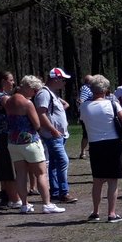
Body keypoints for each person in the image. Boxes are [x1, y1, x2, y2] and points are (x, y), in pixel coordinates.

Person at [5, 76, 65, 214]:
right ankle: (47, 204)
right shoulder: (27, 103)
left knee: (20, 173)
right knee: (41, 173)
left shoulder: (8, 101)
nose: (35, 93)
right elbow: (37, 124)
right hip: (30, 141)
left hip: (13, 142)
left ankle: (24, 204)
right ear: (28, 88)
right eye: (34, 90)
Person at [79, 75, 122, 222]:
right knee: (113, 180)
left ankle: (95, 212)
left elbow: (83, 120)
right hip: (112, 144)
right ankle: (111, 213)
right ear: (106, 90)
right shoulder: (112, 104)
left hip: (95, 145)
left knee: (97, 180)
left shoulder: (84, 106)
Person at [36, 67, 76, 202]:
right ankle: (64, 192)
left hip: (59, 135)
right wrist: (52, 129)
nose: (64, 83)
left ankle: (55, 191)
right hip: (52, 135)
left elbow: (65, 105)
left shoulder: (52, 93)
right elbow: (41, 113)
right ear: (56, 79)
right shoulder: (44, 93)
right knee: (63, 161)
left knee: (53, 163)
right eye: (63, 80)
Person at [0, 71, 22, 207]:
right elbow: (13, 111)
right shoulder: (3, 97)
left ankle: (6, 193)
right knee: (9, 167)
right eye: (11, 80)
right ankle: (15, 198)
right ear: (3, 81)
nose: (13, 83)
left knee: (3, 166)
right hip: (6, 134)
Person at [76, 74, 93, 159]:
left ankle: (89, 151)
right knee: (86, 133)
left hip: (90, 113)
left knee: (90, 133)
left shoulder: (91, 89)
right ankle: (83, 152)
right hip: (87, 114)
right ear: (88, 81)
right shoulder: (85, 88)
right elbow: (81, 100)